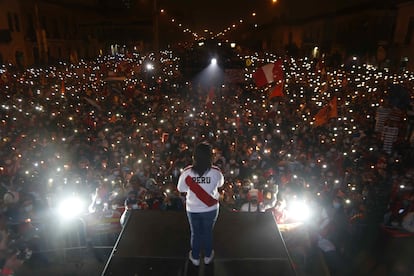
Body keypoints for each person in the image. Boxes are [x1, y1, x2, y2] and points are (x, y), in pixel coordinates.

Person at [177, 142, 224, 266]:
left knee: (195, 233)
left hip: (193, 209)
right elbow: (220, 184)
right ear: (210, 157)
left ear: (194, 157)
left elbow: (181, 189)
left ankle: (195, 257)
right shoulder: (216, 172)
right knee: (208, 232)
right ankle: (208, 256)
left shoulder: (187, 172)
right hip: (211, 208)